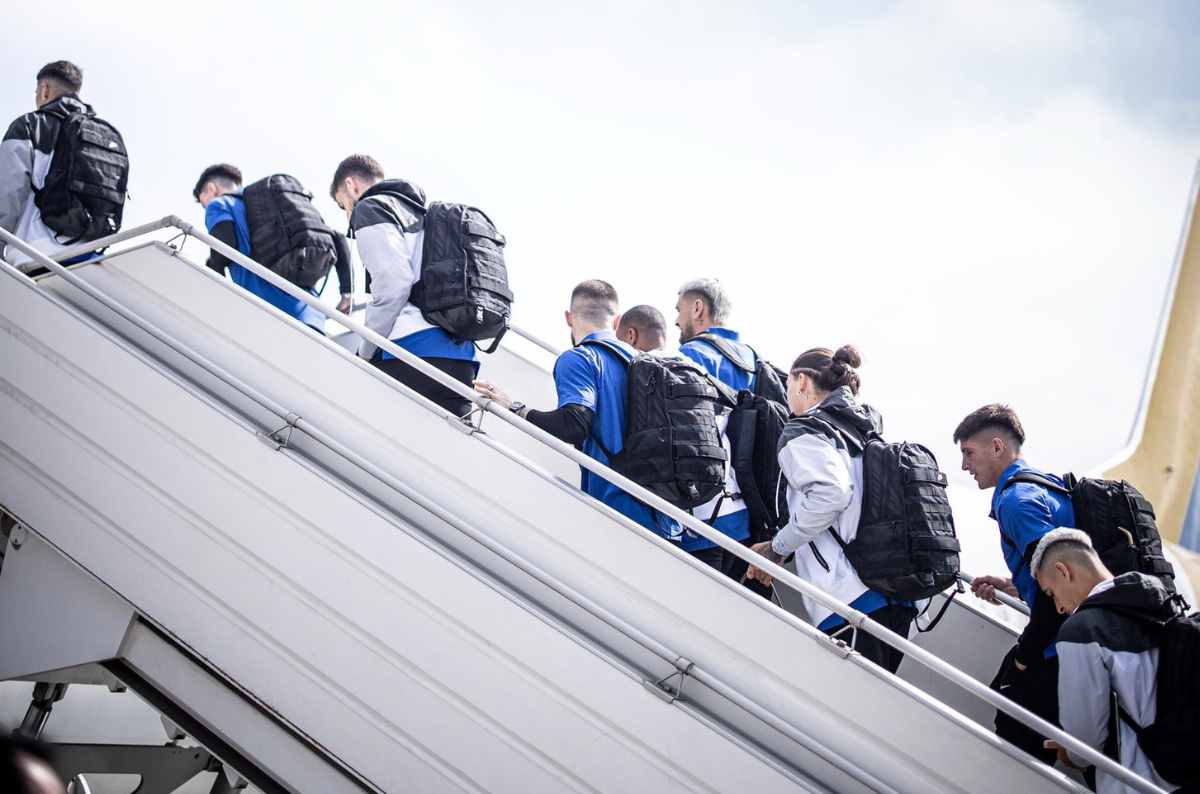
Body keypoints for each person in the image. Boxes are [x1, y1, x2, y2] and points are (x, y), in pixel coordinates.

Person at [746, 346, 916, 673]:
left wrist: (777, 548)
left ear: (802, 383)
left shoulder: (805, 430)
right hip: (895, 594)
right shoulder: (864, 430)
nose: (787, 398)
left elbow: (831, 494)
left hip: (849, 599)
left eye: (788, 387)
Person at [474, 280, 677, 541]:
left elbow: (573, 423)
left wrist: (515, 408)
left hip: (616, 511)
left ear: (569, 318)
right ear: (616, 322)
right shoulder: (644, 360)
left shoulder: (580, 358)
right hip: (660, 512)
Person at [954, 403, 1074, 763]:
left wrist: (1025, 656)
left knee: (1017, 731)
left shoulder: (1017, 501)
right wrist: (1013, 585)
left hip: (1057, 644)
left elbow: (1059, 590)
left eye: (968, 453)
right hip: (1071, 637)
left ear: (996, 447)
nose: (964, 466)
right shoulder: (1045, 487)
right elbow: (1060, 569)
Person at [1033, 528, 1184, 794]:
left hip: (1133, 781)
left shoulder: (1081, 631)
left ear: (1063, 571)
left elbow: (1084, 739)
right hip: (1182, 773)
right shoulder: (1158, 600)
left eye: (1051, 592)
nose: (1058, 607)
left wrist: (1072, 755)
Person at [329, 154, 480, 417]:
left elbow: (393, 283)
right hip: (461, 357)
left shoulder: (371, 208)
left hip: (412, 352)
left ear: (352, 186)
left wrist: (366, 350)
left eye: (344, 206)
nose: (348, 215)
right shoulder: (421, 213)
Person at [193, 164, 353, 333]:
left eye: (203, 202)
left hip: (267, 311)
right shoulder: (273, 205)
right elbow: (338, 238)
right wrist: (346, 292)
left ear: (211, 189)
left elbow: (223, 248)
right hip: (312, 316)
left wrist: (211, 274)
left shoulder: (219, 204)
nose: (206, 207)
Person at [673, 279, 756, 578]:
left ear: (697, 308)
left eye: (679, 309)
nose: (676, 320)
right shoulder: (751, 359)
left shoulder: (693, 355)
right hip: (747, 513)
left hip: (705, 514)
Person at [1, 61, 107, 269]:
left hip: (33, 254)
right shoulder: (101, 136)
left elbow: (8, 192)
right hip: (88, 256)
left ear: (44, 90)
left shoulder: (29, 125)